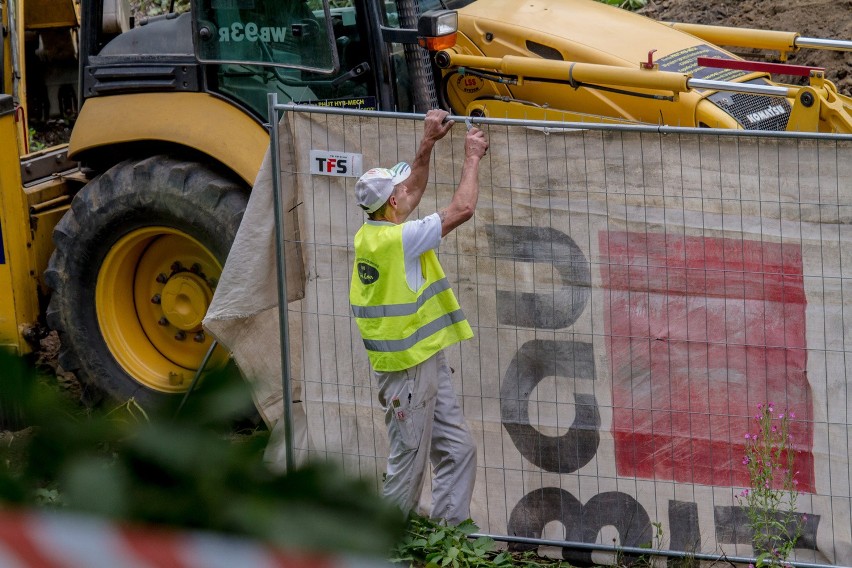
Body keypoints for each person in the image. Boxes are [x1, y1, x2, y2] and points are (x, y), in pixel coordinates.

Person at [349, 109, 489, 524]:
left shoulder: (373, 232)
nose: (407, 189)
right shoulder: (401, 239)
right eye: (399, 188)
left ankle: (448, 540)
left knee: (458, 450)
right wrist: (472, 156)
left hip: (422, 360)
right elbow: (462, 208)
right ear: (393, 202)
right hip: (407, 370)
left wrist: (428, 143)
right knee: (407, 468)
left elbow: (412, 186)